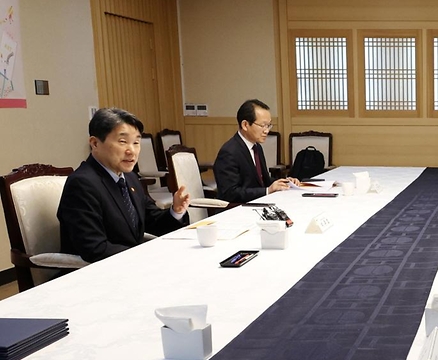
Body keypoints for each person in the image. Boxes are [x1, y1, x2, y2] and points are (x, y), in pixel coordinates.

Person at [58, 108, 190, 263]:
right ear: (95, 143)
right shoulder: (82, 184)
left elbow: (152, 221)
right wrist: (145, 257)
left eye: (136, 142)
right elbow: (94, 248)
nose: (132, 151)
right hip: (97, 275)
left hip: (129, 265)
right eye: (123, 142)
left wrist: (176, 211)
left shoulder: (129, 177)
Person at [214, 99, 300, 203]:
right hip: (238, 209)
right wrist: (267, 190)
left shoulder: (256, 147)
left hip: (257, 203)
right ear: (245, 125)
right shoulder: (229, 152)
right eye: (262, 125)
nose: (266, 130)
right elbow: (230, 193)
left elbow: (262, 181)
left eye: (268, 125)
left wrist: (285, 182)